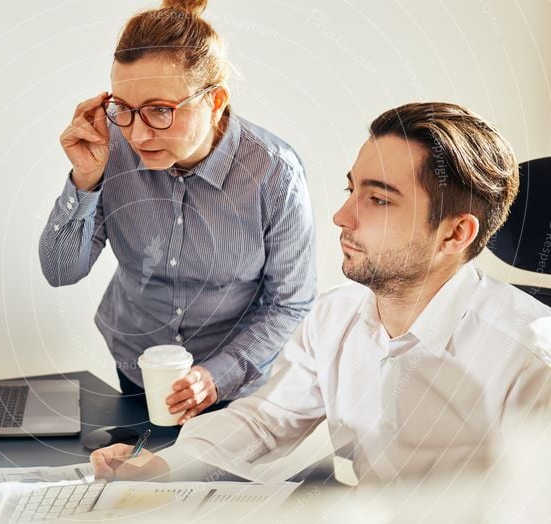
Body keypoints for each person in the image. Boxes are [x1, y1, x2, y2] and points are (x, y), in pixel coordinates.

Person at [91, 102, 551, 483]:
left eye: (378, 199)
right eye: (351, 190)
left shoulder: (530, 363)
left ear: (455, 235)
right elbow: (266, 419)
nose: (341, 216)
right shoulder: (336, 315)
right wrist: (163, 467)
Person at [38, 0, 316, 422]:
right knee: (143, 478)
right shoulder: (110, 145)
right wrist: (84, 180)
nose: (138, 132)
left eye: (160, 110)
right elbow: (61, 271)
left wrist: (215, 377)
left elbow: (289, 304)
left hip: (235, 382)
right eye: (124, 109)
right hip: (138, 365)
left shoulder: (275, 173)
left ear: (216, 100)